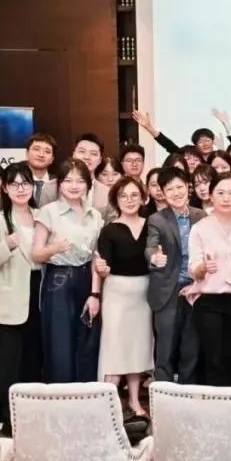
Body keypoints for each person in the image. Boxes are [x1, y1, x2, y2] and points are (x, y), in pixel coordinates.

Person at [0, 162, 42, 435]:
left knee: (33, 359)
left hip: (37, 291)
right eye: (14, 184)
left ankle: (31, 415)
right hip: (9, 298)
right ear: (5, 188)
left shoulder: (40, 216)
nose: (21, 189)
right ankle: (9, 418)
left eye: (25, 183)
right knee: (10, 363)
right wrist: (6, 245)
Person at [32, 159, 104, 384]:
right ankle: (60, 397)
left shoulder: (95, 215)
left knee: (87, 342)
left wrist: (95, 294)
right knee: (60, 344)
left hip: (86, 278)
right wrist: (54, 248)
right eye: (68, 180)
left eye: (80, 181)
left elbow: (96, 257)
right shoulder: (49, 212)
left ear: (88, 184)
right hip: (59, 279)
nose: (74, 186)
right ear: (59, 184)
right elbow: (36, 254)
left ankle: (86, 397)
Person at [188, 173, 231, 386]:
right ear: (211, 196)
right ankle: (213, 402)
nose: (226, 198)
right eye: (220, 193)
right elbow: (193, 267)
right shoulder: (200, 228)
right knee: (213, 357)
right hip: (210, 300)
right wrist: (203, 268)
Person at [96, 177, 154, 418]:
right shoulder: (109, 230)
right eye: (123, 196)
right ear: (115, 200)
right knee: (115, 346)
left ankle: (134, 400)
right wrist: (102, 270)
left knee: (137, 347)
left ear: (143, 198)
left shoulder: (152, 225)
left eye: (134, 195)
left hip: (144, 293)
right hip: (116, 293)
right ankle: (107, 404)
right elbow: (104, 266)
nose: (129, 200)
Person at [146, 167, 205, 384]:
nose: (176, 193)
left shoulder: (201, 216)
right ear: (162, 193)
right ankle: (163, 394)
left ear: (188, 188)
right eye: (169, 189)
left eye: (179, 187)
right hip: (168, 291)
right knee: (166, 348)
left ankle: (188, 393)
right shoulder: (157, 219)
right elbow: (151, 246)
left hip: (196, 290)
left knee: (192, 347)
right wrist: (154, 258)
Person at [25, 132, 58, 206]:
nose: (41, 154)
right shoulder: (16, 182)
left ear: (52, 159)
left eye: (47, 151)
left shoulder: (59, 184)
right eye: (36, 149)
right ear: (27, 154)